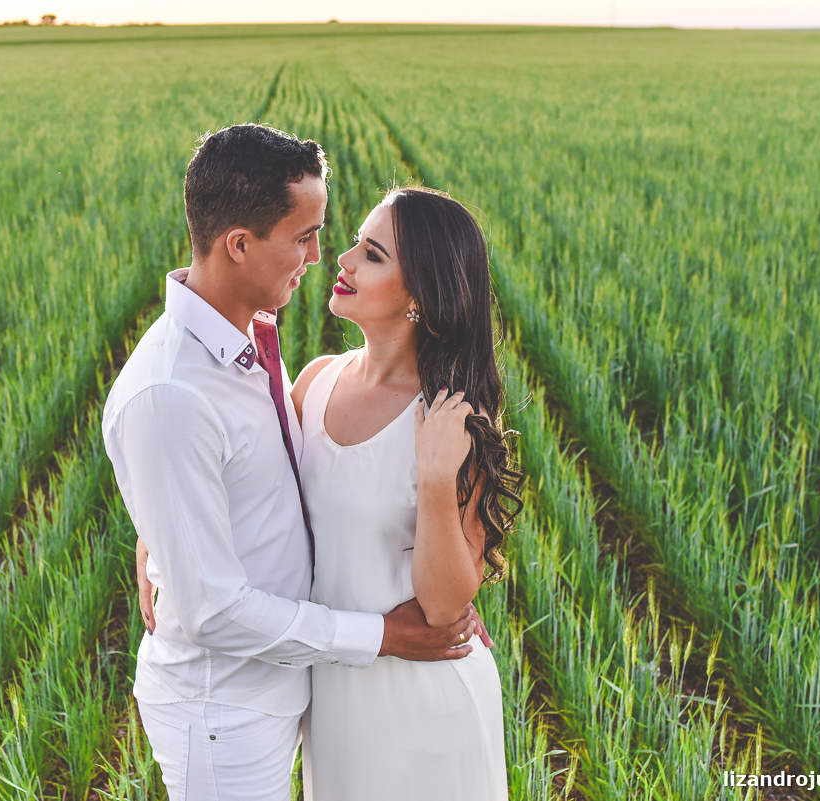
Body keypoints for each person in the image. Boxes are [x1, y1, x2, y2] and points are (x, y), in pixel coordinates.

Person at [103, 124, 485, 801]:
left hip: (356, 689)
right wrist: (164, 536)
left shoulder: (255, 348)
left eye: (364, 249)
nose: (324, 255)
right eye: (306, 236)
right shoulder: (217, 385)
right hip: (252, 700)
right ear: (240, 245)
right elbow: (213, 602)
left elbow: (253, 476)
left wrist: (166, 529)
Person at [290, 186, 522, 799]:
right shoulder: (314, 383)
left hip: (426, 703)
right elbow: (246, 496)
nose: (341, 260)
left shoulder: (450, 418)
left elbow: (446, 608)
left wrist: (436, 477)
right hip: (336, 696)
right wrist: (154, 537)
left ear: (419, 293)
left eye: (371, 254)